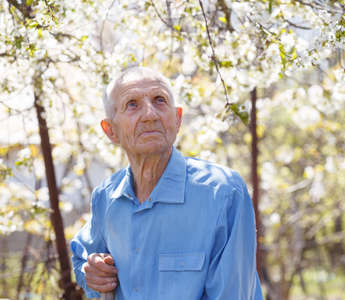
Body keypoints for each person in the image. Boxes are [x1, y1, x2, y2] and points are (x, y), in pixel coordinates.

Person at [70, 66, 264, 300]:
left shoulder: (222, 192)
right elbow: (83, 255)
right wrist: (90, 272)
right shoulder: (106, 197)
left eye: (159, 100)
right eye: (132, 104)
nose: (150, 114)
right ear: (111, 130)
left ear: (177, 119)